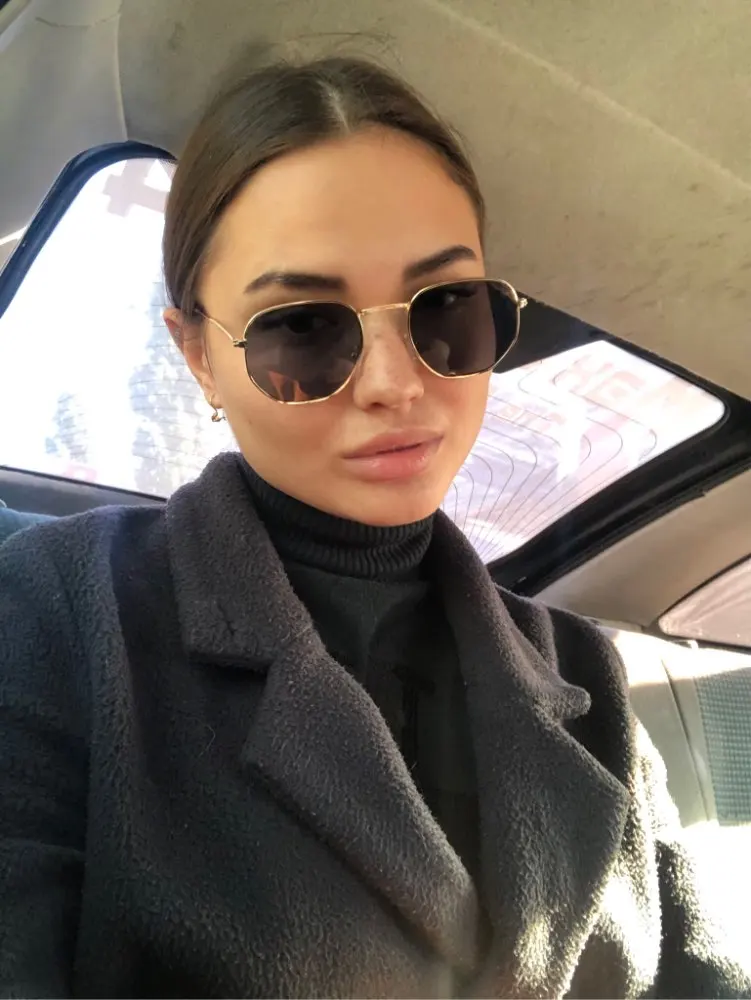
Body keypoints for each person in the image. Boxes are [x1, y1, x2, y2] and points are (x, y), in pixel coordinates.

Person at [0, 54, 748, 1000]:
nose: (396, 384)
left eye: (446, 309)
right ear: (198, 356)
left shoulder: (584, 671)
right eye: (303, 328)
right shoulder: (51, 614)